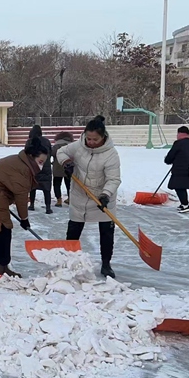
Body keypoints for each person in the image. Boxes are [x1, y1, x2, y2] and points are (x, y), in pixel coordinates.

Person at [0, 138, 48, 278]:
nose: (41, 166)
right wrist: (24, 219)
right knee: (3, 231)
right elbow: (21, 197)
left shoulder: (20, 162)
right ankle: (3, 267)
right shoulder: (23, 169)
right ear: (31, 156)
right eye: (40, 162)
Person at [57, 115, 121, 278]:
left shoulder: (111, 154)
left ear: (103, 137)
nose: (91, 142)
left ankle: (106, 264)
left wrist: (106, 195)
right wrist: (66, 163)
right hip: (79, 194)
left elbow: (113, 179)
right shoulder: (78, 146)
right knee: (73, 229)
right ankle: (69, 260)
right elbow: (61, 151)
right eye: (89, 138)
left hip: (102, 196)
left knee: (106, 231)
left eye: (95, 139)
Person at [164, 126, 189, 213]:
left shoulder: (178, 143)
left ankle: (185, 205)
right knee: (182, 187)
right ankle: (184, 204)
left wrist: (168, 160)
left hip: (179, 168)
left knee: (179, 187)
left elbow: (171, 155)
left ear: (179, 134)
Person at [25, 125, 53, 214]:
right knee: (46, 188)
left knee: (33, 186)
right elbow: (51, 152)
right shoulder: (47, 141)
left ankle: (32, 205)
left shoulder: (30, 141)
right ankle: (48, 208)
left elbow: (26, 154)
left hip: (34, 167)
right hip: (46, 167)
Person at [51, 132, 74, 208]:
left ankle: (59, 200)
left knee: (57, 184)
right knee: (69, 185)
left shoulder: (56, 145)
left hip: (57, 167)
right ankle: (70, 199)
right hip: (68, 168)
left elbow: (52, 153)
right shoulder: (71, 145)